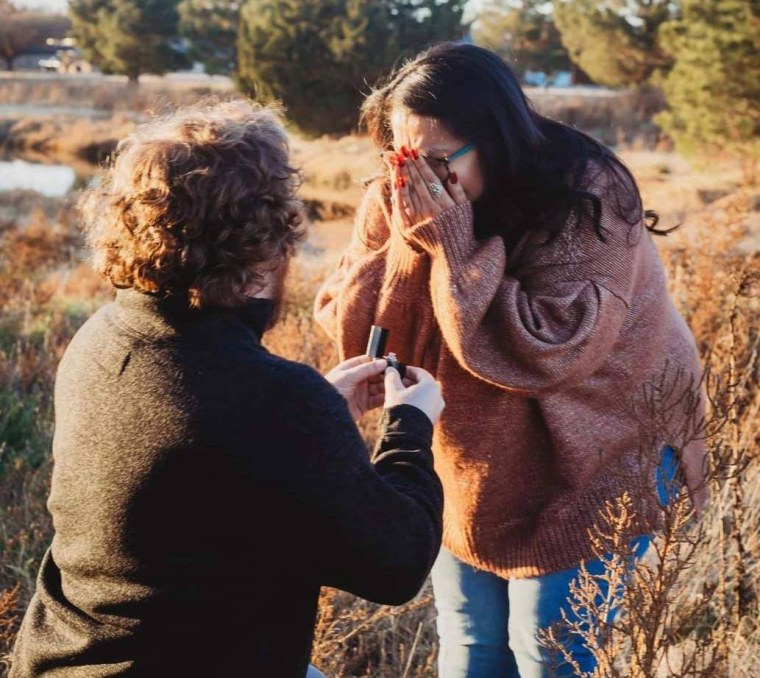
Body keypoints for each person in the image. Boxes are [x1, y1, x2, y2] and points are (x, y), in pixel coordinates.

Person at [10, 100, 446, 678]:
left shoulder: (100, 338)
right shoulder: (275, 401)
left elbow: (207, 466)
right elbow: (397, 564)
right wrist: (410, 427)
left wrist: (319, 412)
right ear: (265, 246)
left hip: (61, 659)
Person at [314, 43, 707, 677]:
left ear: (495, 140)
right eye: (401, 154)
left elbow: (548, 350)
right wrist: (415, 244)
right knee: (471, 645)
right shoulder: (406, 184)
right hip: (471, 462)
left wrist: (450, 243)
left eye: (440, 160)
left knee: (550, 651)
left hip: (597, 453)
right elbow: (358, 328)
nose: (417, 176)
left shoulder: (588, 194)